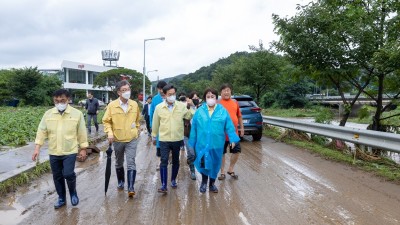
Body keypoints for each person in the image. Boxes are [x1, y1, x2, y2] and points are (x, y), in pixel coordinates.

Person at [32, 89, 88, 209]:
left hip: (70, 151)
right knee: (57, 176)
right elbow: (41, 131)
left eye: (62, 100)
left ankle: (73, 192)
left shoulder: (76, 114)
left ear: (68, 100)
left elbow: (82, 132)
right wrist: (37, 148)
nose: (59, 103)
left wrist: (83, 148)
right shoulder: (48, 114)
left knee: (68, 174)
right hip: (54, 151)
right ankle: (61, 198)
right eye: (56, 101)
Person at [188, 88, 239, 193]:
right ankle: (203, 183)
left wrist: (232, 139)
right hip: (202, 144)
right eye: (208, 97)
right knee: (204, 164)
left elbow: (229, 126)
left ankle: (211, 184)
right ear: (205, 98)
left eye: (212, 97)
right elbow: (194, 129)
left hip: (217, 144)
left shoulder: (222, 111)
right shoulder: (199, 111)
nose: (210, 99)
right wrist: (191, 144)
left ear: (216, 98)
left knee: (215, 164)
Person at [151, 84, 194, 193]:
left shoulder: (180, 106)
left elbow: (189, 116)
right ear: (164, 95)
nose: (172, 96)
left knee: (176, 160)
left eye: (173, 94)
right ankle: (164, 185)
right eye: (169, 94)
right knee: (164, 160)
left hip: (177, 138)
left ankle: (173, 180)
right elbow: (155, 123)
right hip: (164, 138)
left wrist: (192, 106)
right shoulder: (159, 107)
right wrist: (154, 135)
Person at [102, 80, 141, 197]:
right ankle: (121, 181)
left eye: (128, 89)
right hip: (117, 139)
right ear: (119, 92)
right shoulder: (112, 106)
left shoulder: (134, 104)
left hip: (131, 139)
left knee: (131, 162)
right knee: (119, 162)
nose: (126, 92)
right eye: (124, 90)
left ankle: (131, 187)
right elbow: (106, 121)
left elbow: (137, 120)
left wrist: (137, 130)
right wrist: (109, 133)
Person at [218, 83, 244, 180]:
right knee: (221, 153)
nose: (226, 92)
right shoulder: (217, 103)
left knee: (237, 151)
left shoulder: (235, 102)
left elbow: (239, 116)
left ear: (230, 91)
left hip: (233, 133)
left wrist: (242, 128)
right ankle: (222, 172)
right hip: (221, 134)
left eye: (228, 90)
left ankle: (231, 169)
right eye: (224, 90)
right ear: (221, 92)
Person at [182, 91, 201, 180]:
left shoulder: (201, 108)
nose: (195, 100)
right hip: (188, 134)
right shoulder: (186, 108)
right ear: (189, 99)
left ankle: (190, 161)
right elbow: (185, 118)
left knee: (196, 154)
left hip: (199, 136)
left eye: (197, 98)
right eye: (193, 98)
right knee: (191, 153)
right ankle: (192, 171)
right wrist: (191, 106)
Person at [149, 81, 167, 170]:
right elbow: (151, 112)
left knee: (169, 144)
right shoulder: (155, 99)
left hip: (168, 126)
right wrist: (152, 125)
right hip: (159, 126)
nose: (161, 91)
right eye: (160, 89)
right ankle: (159, 162)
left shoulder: (170, 97)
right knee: (159, 145)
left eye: (162, 89)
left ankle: (166, 159)